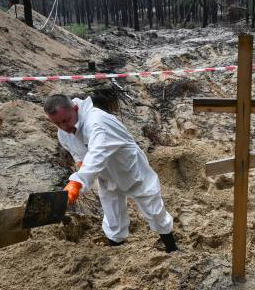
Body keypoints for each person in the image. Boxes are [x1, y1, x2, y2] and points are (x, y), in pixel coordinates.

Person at [44, 94, 178, 252]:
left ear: (75, 109)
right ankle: (116, 255)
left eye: (65, 120)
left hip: (130, 169)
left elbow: (97, 153)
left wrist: (77, 182)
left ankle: (172, 248)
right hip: (106, 177)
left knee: (154, 211)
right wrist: (81, 164)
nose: (63, 127)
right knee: (113, 218)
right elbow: (78, 153)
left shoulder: (97, 122)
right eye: (57, 123)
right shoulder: (64, 133)